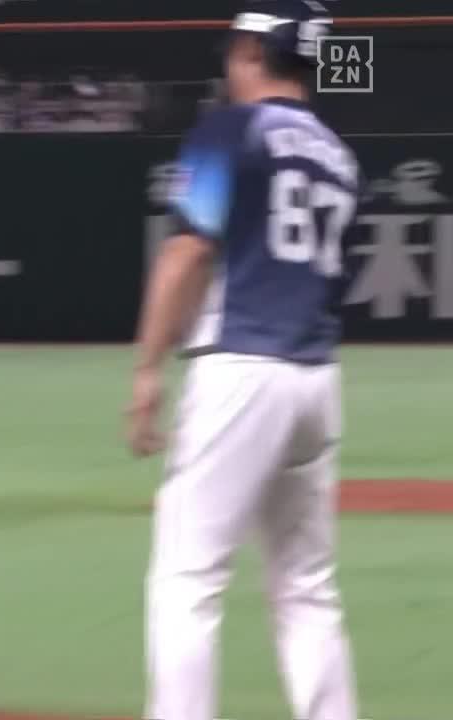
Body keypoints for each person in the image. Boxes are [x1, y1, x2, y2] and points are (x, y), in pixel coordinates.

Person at [126, 2, 360, 719]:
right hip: (315, 380)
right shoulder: (339, 156)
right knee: (306, 587)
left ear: (254, 51)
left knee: (188, 579)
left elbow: (188, 251)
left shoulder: (232, 128)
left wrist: (147, 370)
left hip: (241, 371)